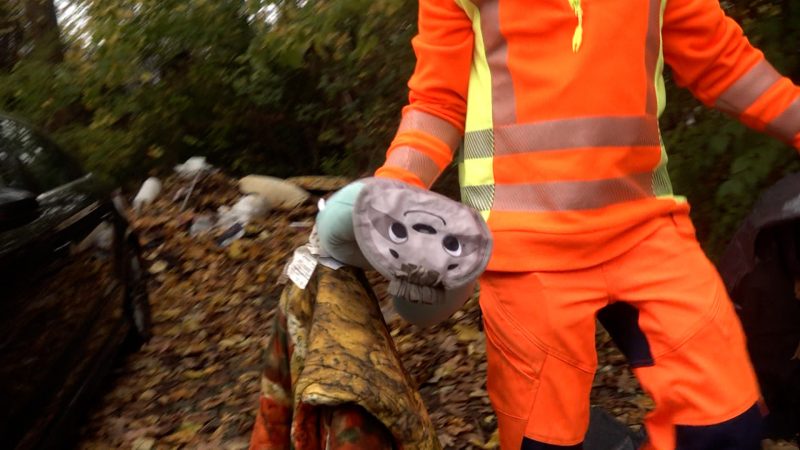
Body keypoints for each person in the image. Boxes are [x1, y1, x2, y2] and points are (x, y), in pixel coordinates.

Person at [321, 0, 800, 448]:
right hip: (523, 250)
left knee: (727, 424)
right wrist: (392, 193)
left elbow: (724, 62)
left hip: (648, 232)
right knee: (545, 440)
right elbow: (438, 103)